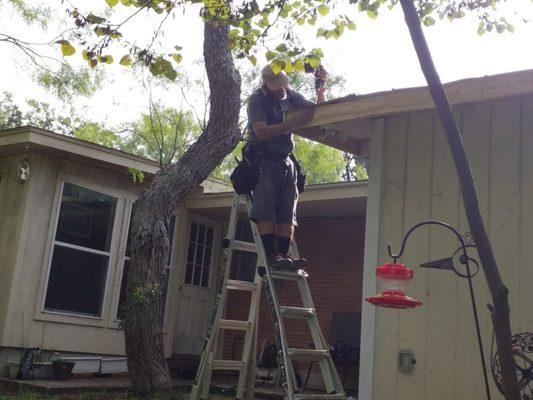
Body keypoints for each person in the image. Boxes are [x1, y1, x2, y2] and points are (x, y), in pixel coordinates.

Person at [245, 63, 327, 270]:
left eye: (283, 85)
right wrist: (290, 124)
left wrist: (320, 89)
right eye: (277, 86)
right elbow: (261, 131)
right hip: (263, 159)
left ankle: (284, 254)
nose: (281, 89)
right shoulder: (257, 100)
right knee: (265, 208)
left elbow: (315, 111)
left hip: (285, 160)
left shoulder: (291, 95)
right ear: (265, 84)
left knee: (287, 211)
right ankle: (272, 256)